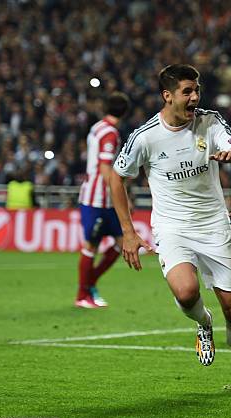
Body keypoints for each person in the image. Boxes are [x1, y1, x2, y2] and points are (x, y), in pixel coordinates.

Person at [109, 64, 231, 392]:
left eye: (197, 91)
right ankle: (203, 323)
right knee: (186, 292)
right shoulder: (145, 137)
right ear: (168, 96)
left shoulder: (210, 121)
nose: (195, 98)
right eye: (187, 92)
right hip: (172, 227)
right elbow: (116, 176)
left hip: (214, 226)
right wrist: (128, 232)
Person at [75, 92, 131, 308]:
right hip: (97, 199)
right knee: (91, 245)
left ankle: (90, 283)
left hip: (103, 199)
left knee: (121, 244)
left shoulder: (97, 127)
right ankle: (82, 295)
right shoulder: (110, 133)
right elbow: (105, 167)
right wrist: (120, 195)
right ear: (125, 112)